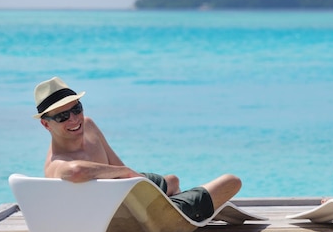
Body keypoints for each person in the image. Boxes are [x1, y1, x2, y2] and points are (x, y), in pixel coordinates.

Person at [34, 76, 242, 222]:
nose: (74, 119)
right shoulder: (57, 163)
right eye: (62, 116)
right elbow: (76, 171)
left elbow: (120, 167)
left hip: (131, 191)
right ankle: (181, 210)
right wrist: (124, 174)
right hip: (131, 217)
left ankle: (180, 202)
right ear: (46, 124)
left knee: (172, 180)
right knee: (231, 181)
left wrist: (128, 175)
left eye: (76, 109)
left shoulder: (88, 125)